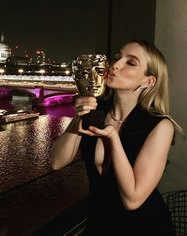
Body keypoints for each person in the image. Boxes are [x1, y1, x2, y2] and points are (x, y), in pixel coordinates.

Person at [51, 40, 183, 235]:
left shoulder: (160, 125)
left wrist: (113, 137)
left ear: (148, 81)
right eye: (117, 58)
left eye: (131, 63)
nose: (115, 65)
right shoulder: (97, 111)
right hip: (99, 223)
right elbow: (56, 162)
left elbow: (133, 200)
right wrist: (79, 116)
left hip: (143, 228)